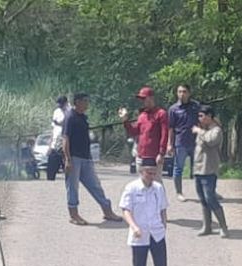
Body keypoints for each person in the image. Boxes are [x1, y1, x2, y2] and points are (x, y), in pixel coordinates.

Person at [120, 158, 172, 266]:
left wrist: (163, 224)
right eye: (149, 173)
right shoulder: (132, 188)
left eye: (154, 173)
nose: (152, 176)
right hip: (139, 236)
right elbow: (125, 210)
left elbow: (163, 208)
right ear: (141, 172)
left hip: (157, 234)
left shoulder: (158, 188)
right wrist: (134, 226)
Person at [63, 93, 123, 226]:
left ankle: (107, 211)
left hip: (85, 157)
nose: (87, 104)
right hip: (74, 157)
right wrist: (67, 159)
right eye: (85, 101)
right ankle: (74, 215)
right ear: (77, 102)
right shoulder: (70, 117)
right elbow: (65, 138)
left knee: (95, 185)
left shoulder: (83, 117)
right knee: (72, 187)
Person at [192, 106, 228, 238]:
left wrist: (199, 132)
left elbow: (211, 141)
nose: (200, 119)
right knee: (203, 199)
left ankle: (223, 227)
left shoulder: (216, 130)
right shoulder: (204, 130)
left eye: (202, 116)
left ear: (209, 116)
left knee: (210, 198)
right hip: (199, 169)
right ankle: (207, 226)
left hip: (209, 169)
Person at [119, 87, 169, 171]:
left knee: (155, 183)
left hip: (154, 155)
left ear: (151, 98)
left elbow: (165, 134)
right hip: (141, 155)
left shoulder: (161, 114)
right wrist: (125, 120)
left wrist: (161, 153)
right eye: (141, 99)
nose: (142, 101)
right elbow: (134, 132)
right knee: (142, 183)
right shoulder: (142, 115)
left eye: (144, 98)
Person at [166, 84, 200, 201]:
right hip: (180, 141)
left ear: (189, 93)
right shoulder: (173, 109)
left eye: (184, 91)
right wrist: (169, 144)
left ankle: (207, 191)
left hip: (196, 141)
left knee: (200, 167)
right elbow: (170, 128)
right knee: (178, 168)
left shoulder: (196, 106)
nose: (182, 94)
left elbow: (203, 120)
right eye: (179, 91)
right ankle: (179, 193)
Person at [47, 96, 69, 181]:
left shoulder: (69, 112)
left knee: (67, 167)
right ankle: (50, 181)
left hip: (65, 142)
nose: (60, 105)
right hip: (55, 143)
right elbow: (53, 128)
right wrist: (50, 145)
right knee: (51, 168)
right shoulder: (56, 112)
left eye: (61, 104)